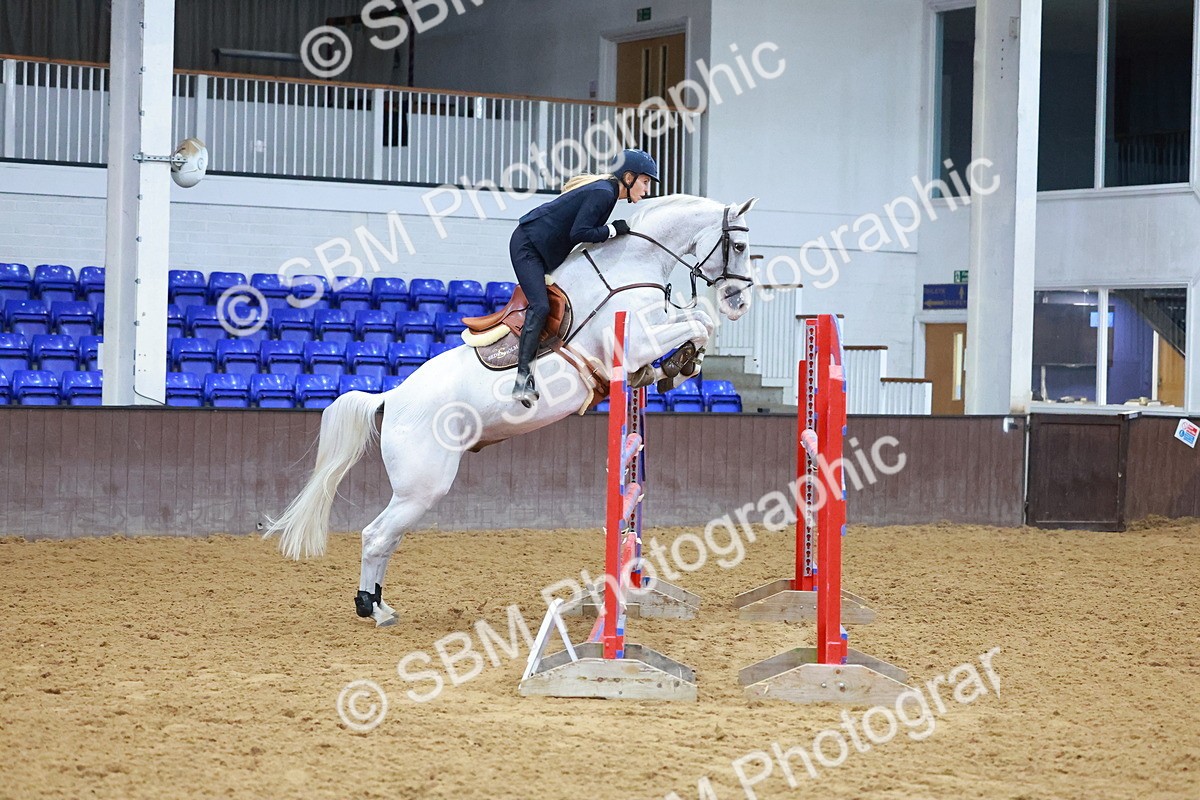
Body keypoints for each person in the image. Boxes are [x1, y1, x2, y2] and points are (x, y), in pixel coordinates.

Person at [509, 148, 659, 407]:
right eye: (645, 182)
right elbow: (580, 232)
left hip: (543, 250)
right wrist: (612, 230)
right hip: (528, 247)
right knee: (541, 306)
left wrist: (611, 231)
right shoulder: (603, 193)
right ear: (629, 177)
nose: (647, 189)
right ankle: (522, 378)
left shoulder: (608, 192)